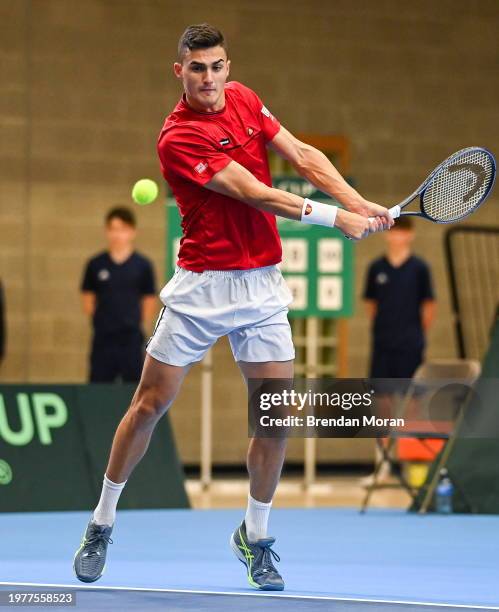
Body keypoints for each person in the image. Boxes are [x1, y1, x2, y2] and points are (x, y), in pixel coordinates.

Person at [74, 23, 392, 590]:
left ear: (227, 64)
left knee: (273, 420)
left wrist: (357, 200)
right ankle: (101, 521)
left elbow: (301, 154)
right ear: (180, 72)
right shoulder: (176, 138)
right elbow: (253, 191)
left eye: (217, 65)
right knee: (149, 405)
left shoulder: (244, 98)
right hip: (202, 289)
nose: (210, 78)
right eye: (198, 68)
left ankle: (255, 536)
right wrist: (331, 218)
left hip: (263, 288)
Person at [363, 215, 436, 479]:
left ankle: (412, 463)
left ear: (410, 235)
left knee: (411, 403)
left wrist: (414, 334)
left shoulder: (419, 269)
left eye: (402, 232)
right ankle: (382, 465)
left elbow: (428, 306)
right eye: (393, 232)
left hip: (410, 346)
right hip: (383, 344)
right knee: (382, 404)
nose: (397, 237)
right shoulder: (375, 268)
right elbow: (371, 305)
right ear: (386, 234)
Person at [81, 207, 157, 383]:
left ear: (132, 232)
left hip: (131, 338)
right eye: (113, 229)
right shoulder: (95, 264)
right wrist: (103, 320)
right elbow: (87, 298)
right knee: (99, 386)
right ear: (107, 231)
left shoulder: (143, 265)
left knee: (133, 388)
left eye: (122, 229)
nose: (117, 234)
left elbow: (149, 299)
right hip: (103, 338)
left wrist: (135, 322)